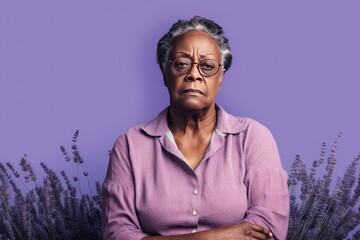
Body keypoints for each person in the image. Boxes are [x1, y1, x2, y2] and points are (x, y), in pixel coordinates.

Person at [102, 16, 289, 240]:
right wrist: (217, 237)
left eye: (207, 66)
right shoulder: (130, 144)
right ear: (164, 73)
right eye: (181, 64)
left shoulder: (253, 137)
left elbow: (268, 230)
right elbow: (118, 234)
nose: (193, 74)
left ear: (221, 77)